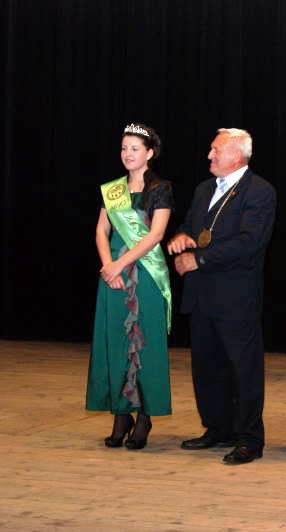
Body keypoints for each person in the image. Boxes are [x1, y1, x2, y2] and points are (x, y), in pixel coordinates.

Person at [167, 128, 276, 465]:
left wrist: (198, 259)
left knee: (243, 369)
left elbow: (249, 242)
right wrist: (181, 237)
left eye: (216, 150)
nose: (209, 155)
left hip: (235, 297)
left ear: (237, 155)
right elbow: (191, 226)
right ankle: (217, 428)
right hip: (201, 295)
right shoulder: (204, 189)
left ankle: (249, 439)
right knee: (206, 366)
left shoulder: (259, 191)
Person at [86, 122, 174, 450]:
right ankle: (121, 414)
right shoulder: (113, 190)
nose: (127, 154)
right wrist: (109, 266)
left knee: (145, 342)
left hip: (145, 273)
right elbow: (101, 230)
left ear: (149, 153)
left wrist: (119, 264)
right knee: (116, 341)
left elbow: (156, 234)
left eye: (134, 148)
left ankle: (145, 415)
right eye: (124, 148)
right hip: (114, 275)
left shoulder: (160, 188)